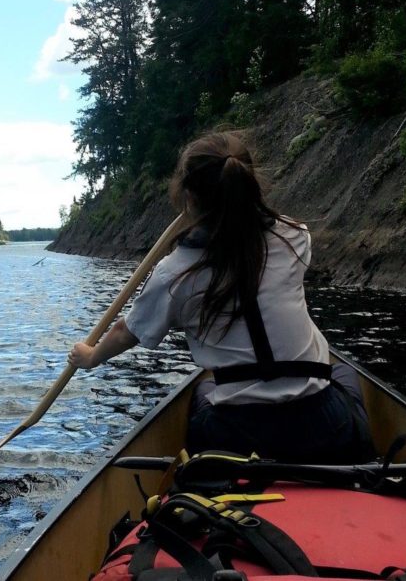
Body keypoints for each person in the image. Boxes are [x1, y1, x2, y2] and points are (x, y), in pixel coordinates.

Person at [68, 130, 373, 464]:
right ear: (247, 183)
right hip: (323, 427)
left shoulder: (175, 273)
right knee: (343, 374)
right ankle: (361, 469)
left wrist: (91, 356)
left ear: (189, 197)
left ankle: (203, 486)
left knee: (202, 391)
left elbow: (126, 332)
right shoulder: (294, 236)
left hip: (238, 437)